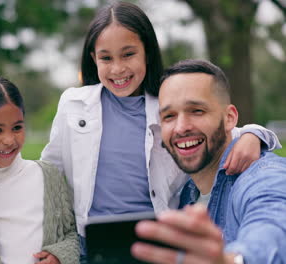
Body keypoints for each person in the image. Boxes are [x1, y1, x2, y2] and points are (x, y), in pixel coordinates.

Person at [40, 1, 281, 260]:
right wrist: (60, 247)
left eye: (128, 54)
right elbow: (51, 176)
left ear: (147, 52)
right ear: (93, 59)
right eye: (106, 58)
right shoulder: (74, 104)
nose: (118, 68)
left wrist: (254, 134)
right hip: (92, 241)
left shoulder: (165, 105)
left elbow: (218, 132)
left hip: (156, 237)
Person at [131, 59, 286, 264]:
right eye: (169, 116)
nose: (180, 127)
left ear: (229, 118)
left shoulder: (263, 176)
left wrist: (233, 261)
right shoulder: (184, 194)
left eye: (196, 111)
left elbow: (274, 224)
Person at [0, 76, 79, 264]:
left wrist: (59, 256)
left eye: (17, 127)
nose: (9, 140)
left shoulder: (47, 175)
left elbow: (71, 234)